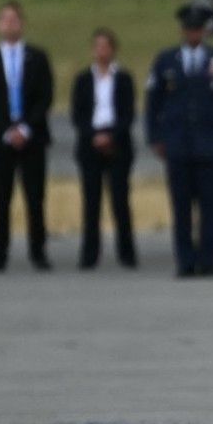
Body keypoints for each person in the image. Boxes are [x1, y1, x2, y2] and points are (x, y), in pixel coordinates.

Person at [144, 2, 213, 277]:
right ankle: (185, 261)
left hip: (211, 145)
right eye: (189, 29)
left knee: (211, 207)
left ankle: (208, 260)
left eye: (197, 29)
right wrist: (156, 137)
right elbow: (154, 102)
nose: (193, 34)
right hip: (178, 144)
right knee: (182, 207)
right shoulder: (166, 60)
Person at [0, 0, 54, 272]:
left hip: (32, 136)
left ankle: (38, 251)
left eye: (15, 19)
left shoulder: (37, 57)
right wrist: (6, 130)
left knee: (35, 197)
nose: (10, 24)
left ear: (22, 23)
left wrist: (26, 128)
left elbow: (45, 96)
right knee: (1, 198)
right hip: (1, 138)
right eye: (5, 19)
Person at [70, 27, 138, 270]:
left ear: (113, 50)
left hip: (117, 144)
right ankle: (89, 255)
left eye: (106, 46)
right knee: (91, 202)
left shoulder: (124, 78)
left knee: (120, 200)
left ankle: (127, 253)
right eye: (97, 46)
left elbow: (128, 114)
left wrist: (111, 135)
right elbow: (77, 115)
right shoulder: (83, 79)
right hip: (90, 143)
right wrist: (94, 136)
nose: (101, 51)